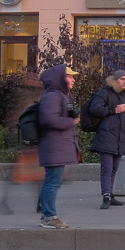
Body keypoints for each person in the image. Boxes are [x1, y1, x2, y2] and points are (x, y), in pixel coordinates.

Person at [37, 64, 80, 228]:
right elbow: (48, 119)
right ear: (60, 78)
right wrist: (72, 121)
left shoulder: (60, 95)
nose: (73, 79)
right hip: (53, 146)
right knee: (52, 182)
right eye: (70, 76)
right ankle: (48, 216)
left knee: (53, 182)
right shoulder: (53, 96)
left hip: (57, 146)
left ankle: (47, 214)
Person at [0, 72, 45, 216]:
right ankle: (4, 203)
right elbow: (17, 118)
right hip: (26, 141)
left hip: (29, 140)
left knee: (37, 175)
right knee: (21, 174)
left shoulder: (32, 95)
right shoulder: (27, 96)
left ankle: (39, 202)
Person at [89, 69, 125, 209]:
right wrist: (114, 110)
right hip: (106, 136)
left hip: (120, 138)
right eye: (121, 79)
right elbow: (94, 109)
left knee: (114, 169)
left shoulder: (124, 96)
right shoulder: (104, 93)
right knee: (107, 169)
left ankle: (110, 193)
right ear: (114, 80)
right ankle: (106, 196)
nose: (124, 82)